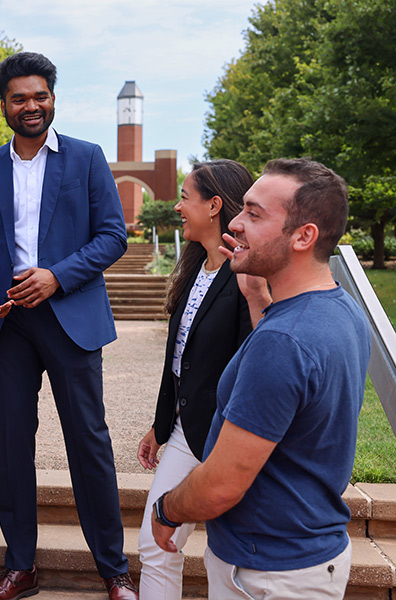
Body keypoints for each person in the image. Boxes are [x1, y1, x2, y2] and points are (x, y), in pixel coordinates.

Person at [0, 52, 136, 600]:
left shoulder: (86, 158)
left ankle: (114, 569)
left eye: (40, 96)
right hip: (8, 325)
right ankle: (21, 567)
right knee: (11, 447)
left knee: (89, 443)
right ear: (4, 105)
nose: (30, 106)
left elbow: (112, 236)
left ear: (53, 98)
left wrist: (57, 276)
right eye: (19, 98)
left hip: (71, 319)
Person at [152, 158, 371, 599]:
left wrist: (167, 508)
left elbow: (219, 486)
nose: (235, 222)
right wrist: (257, 299)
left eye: (254, 214)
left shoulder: (283, 341)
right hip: (307, 552)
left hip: (265, 573)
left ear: (303, 236)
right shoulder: (341, 310)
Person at [135, 160, 270, 599]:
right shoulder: (194, 268)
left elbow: (258, 359)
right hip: (183, 432)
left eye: (185, 198)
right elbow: (180, 360)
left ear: (214, 206)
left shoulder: (248, 275)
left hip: (229, 436)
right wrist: (161, 422)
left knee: (227, 561)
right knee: (155, 545)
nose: (177, 207)